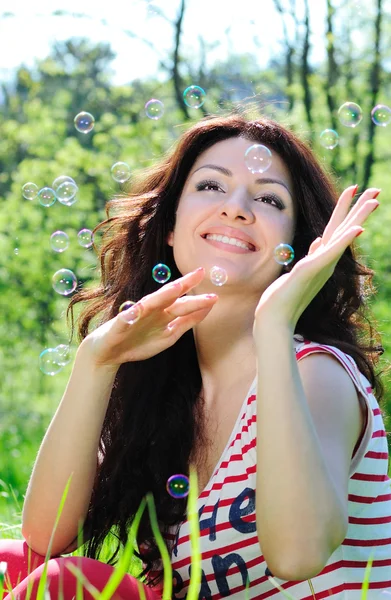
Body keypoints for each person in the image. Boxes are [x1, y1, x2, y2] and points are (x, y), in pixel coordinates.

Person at [1, 114, 390, 599]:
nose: (236, 209)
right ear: (169, 227)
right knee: (10, 561)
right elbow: (46, 534)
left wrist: (273, 325)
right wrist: (95, 363)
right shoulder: (166, 392)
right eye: (210, 186)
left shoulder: (316, 374)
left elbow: (297, 556)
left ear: (298, 249)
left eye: (269, 198)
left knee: (63, 584)